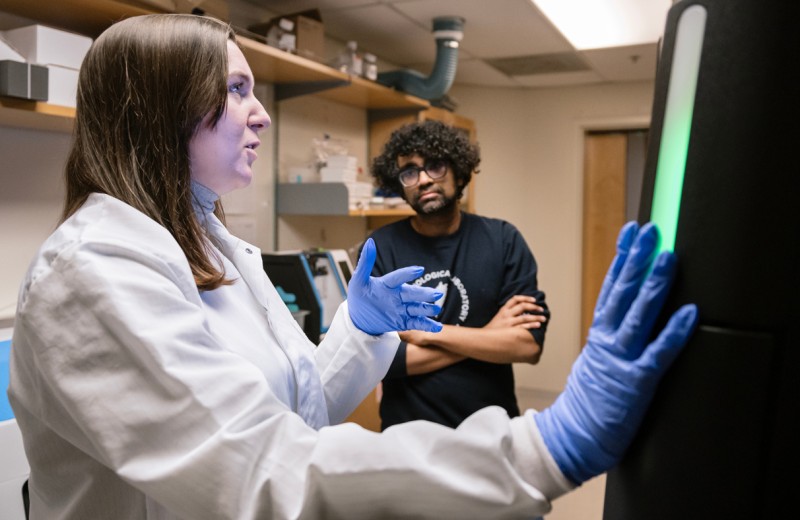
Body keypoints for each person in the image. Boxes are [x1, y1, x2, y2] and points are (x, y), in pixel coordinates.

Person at [8, 13, 698, 519]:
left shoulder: (212, 244)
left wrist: (361, 331)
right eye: (239, 90)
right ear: (162, 109)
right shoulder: (95, 273)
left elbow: (295, 410)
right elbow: (265, 468)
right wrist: (545, 447)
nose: (263, 118)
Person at [368, 120, 550, 430]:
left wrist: (429, 333)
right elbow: (383, 363)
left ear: (458, 170)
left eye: (435, 166)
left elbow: (528, 346)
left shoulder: (503, 240)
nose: (423, 179)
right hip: (407, 436)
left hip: (491, 431)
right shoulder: (381, 248)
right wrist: (489, 334)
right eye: (409, 171)